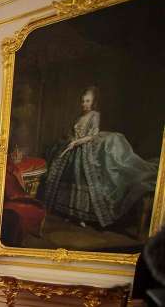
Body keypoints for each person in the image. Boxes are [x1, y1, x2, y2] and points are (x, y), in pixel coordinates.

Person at [42, 86, 157, 229]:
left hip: (86, 151)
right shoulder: (79, 116)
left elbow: (93, 134)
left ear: (93, 102)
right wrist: (71, 140)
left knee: (85, 181)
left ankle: (81, 216)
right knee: (72, 181)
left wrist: (76, 142)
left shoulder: (95, 115)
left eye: (87, 101)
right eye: (83, 101)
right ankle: (71, 214)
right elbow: (74, 131)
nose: (84, 104)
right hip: (74, 152)